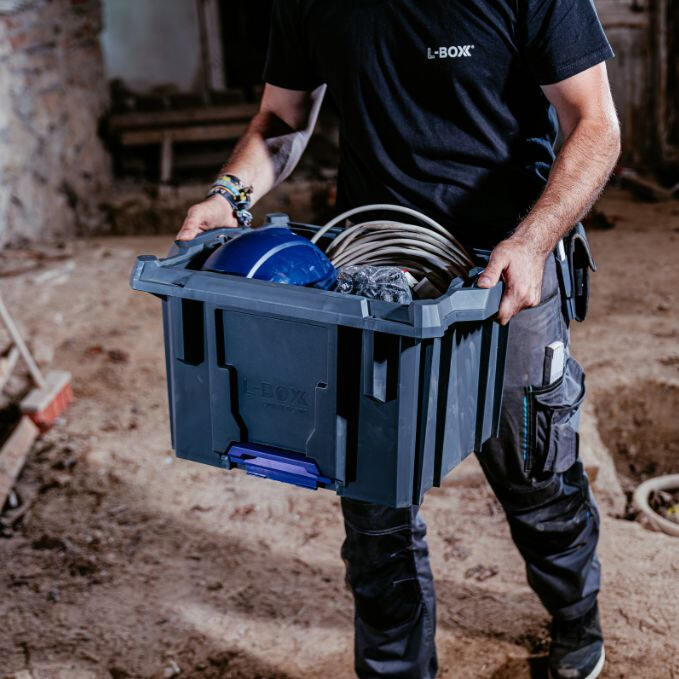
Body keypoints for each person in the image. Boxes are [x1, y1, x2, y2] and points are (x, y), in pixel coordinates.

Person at [177, 2, 621, 677]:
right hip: (372, 271)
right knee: (374, 502)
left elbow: (594, 123)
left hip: (503, 271)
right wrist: (229, 195)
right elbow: (281, 118)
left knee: (535, 471)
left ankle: (575, 617)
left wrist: (534, 240)